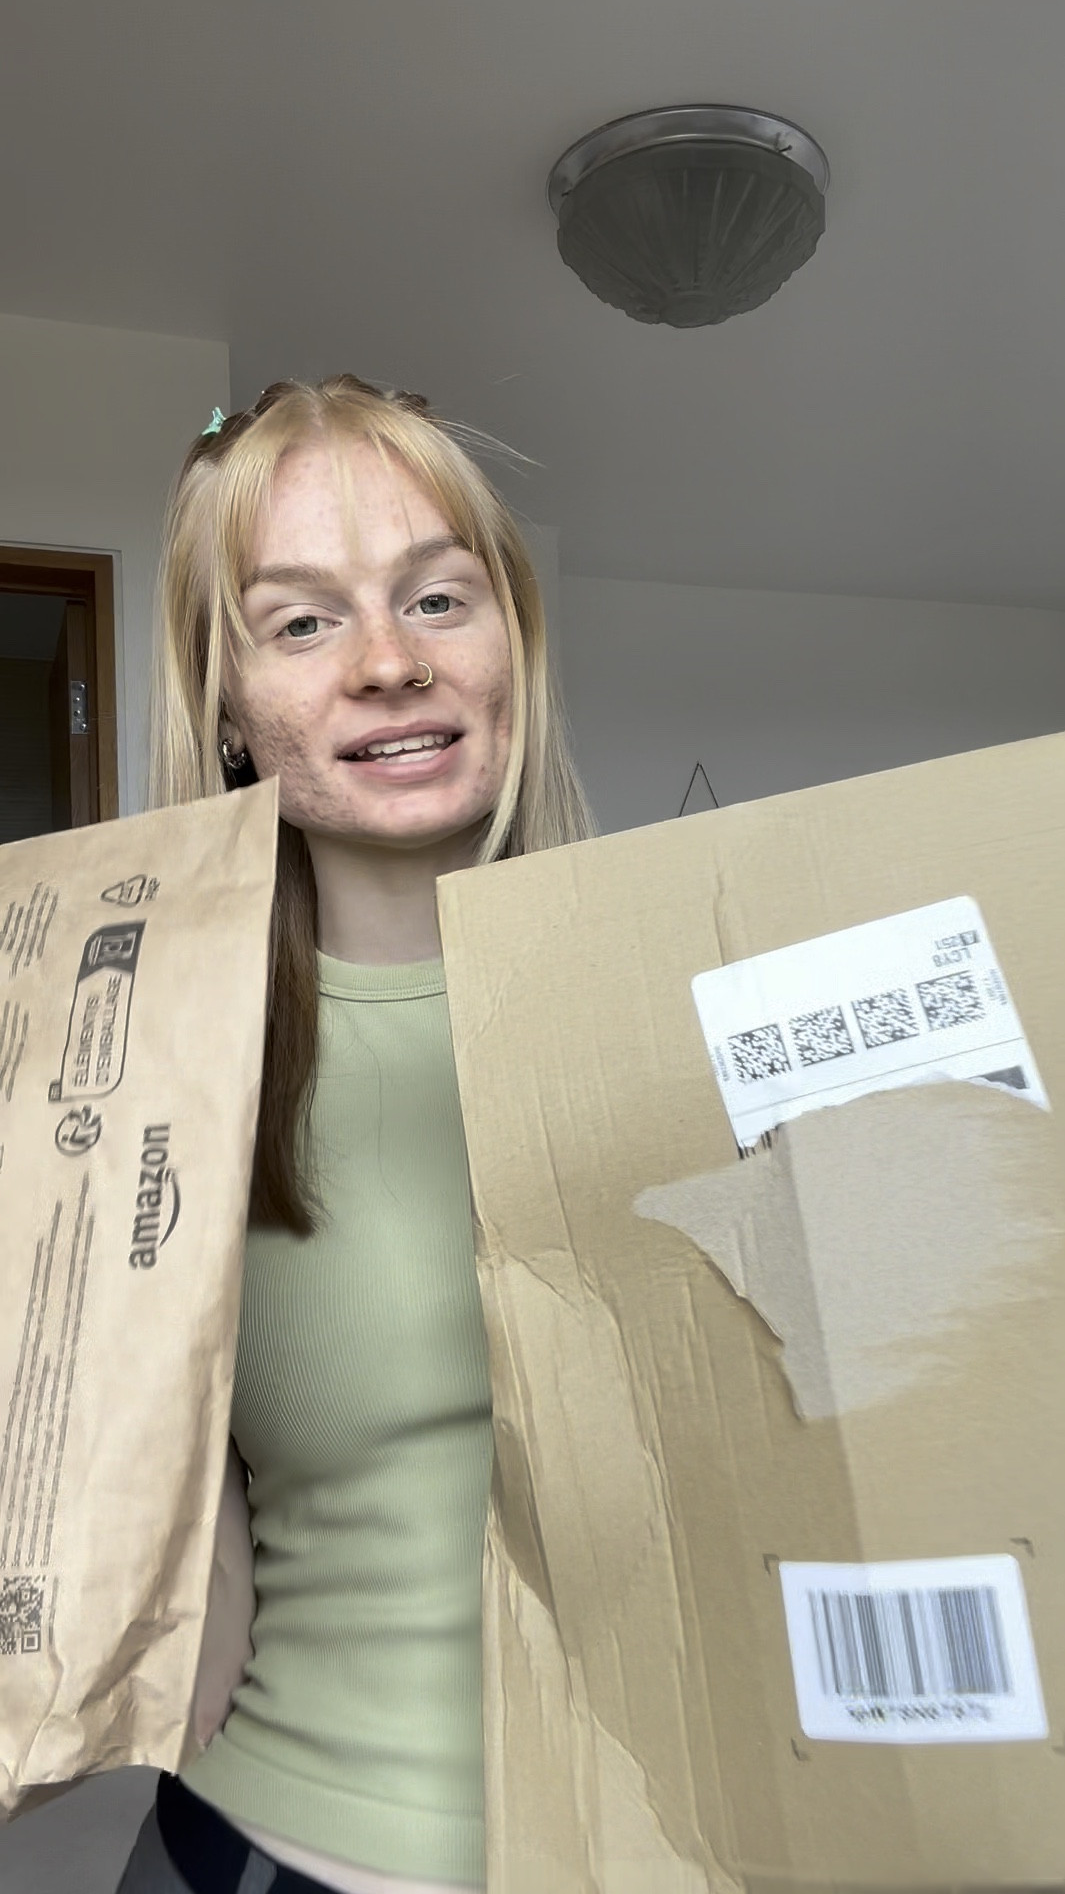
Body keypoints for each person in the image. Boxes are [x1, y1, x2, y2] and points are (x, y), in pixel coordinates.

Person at [115, 375, 593, 1894]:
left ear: (513, 643)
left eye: (439, 597)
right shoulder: (143, 1080)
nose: (391, 663)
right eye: (304, 621)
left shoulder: (689, 1001)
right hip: (273, 1851)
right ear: (228, 706)